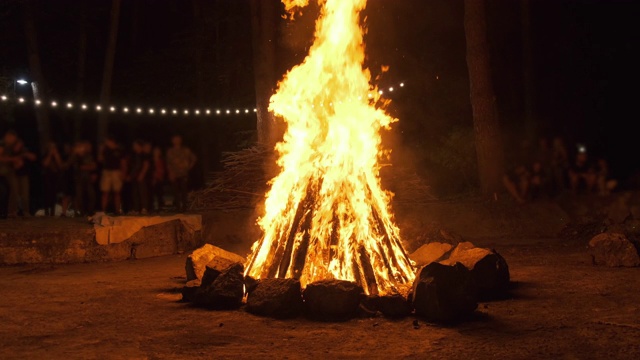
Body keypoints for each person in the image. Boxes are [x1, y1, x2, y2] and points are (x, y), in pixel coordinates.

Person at [166, 134, 197, 212]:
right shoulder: (170, 151)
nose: (176, 141)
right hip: (174, 174)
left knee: (184, 191)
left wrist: (188, 167)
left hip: (183, 173)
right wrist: (170, 173)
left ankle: (184, 207)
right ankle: (177, 207)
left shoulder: (185, 150)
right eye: (175, 139)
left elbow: (193, 158)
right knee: (175, 191)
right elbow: (168, 163)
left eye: (178, 139)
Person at [98, 134, 126, 215]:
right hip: (106, 172)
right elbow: (100, 159)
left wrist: (123, 173)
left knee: (117, 192)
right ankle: (103, 210)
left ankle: (117, 210)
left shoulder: (119, 150)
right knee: (105, 192)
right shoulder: (105, 150)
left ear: (111, 141)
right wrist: (100, 150)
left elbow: (123, 162)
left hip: (116, 172)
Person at [69, 141, 97, 216]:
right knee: (79, 196)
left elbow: (93, 166)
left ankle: (90, 211)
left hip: (87, 178)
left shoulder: (88, 156)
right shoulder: (74, 156)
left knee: (91, 195)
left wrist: (87, 168)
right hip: (78, 178)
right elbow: (74, 166)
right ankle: (81, 212)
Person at [128, 139, 151, 215]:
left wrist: (142, 174)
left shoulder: (144, 154)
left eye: (135, 145)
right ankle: (136, 209)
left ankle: (144, 208)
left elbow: (146, 165)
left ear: (139, 145)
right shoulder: (134, 155)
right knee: (135, 193)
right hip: (134, 176)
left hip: (141, 176)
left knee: (142, 192)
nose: (134, 147)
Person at [41, 141, 64, 216]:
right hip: (47, 176)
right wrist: (50, 155)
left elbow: (60, 165)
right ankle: (46, 210)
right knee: (47, 193)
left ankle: (52, 211)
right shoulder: (45, 155)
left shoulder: (57, 155)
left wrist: (56, 155)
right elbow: (45, 164)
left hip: (55, 176)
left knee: (54, 194)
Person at [150, 145, 166, 212]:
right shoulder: (151, 160)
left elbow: (162, 169)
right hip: (152, 179)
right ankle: (152, 207)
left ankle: (160, 207)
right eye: (155, 151)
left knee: (159, 194)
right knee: (152, 194)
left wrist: (159, 176)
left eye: (158, 151)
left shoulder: (161, 160)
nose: (157, 152)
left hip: (159, 179)